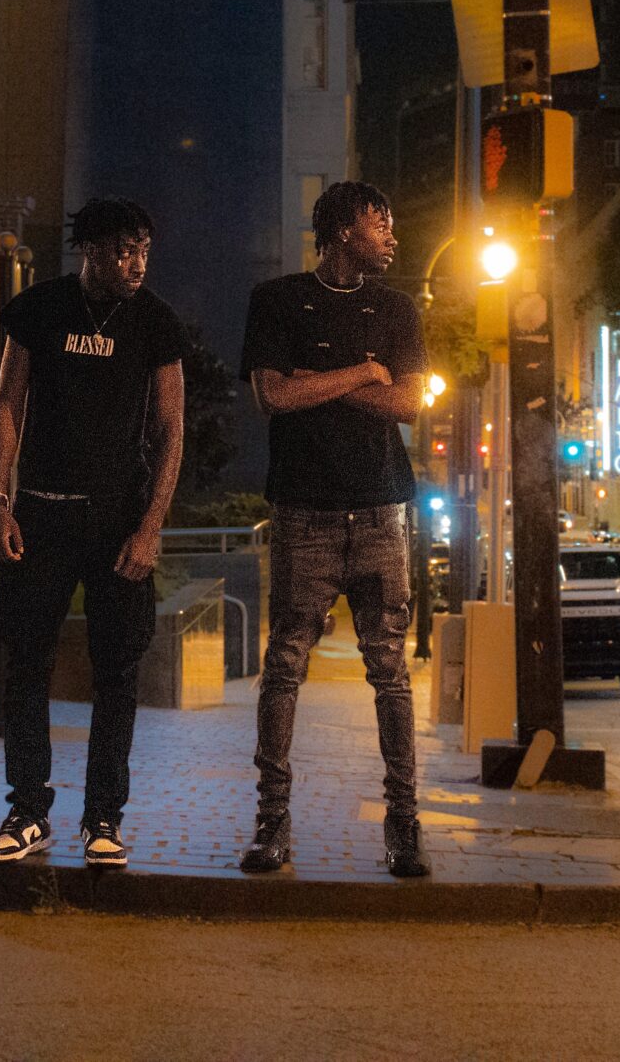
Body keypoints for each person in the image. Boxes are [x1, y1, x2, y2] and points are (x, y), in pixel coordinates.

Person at [0, 198, 185, 867]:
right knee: (25, 660)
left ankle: (103, 818)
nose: (136, 263)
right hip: (38, 513)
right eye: (124, 250)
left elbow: (171, 428)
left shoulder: (154, 322)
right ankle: (29, 809)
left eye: (144, 251)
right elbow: (8, 401)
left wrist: (151, 525)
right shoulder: (40, 308)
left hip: (118, 522)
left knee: (118, 670)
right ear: (89, 251)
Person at [236, 181, 431, 879]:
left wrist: (323, 380)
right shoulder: (279, 300)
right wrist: (363, 370)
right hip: (303, 513)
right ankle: (271, 825)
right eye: (380, 221)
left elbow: (408, 403)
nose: (391, 234)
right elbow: (274, 394)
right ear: (344, 230)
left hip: (382, 511)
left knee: (391, 671)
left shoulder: (397, 307)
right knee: (284, 665)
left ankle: (405, 827)